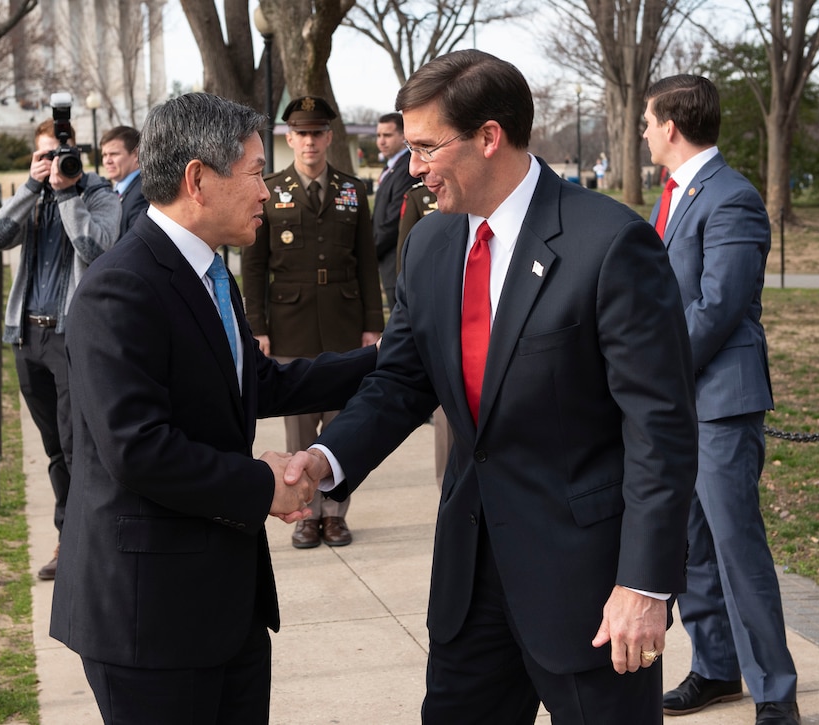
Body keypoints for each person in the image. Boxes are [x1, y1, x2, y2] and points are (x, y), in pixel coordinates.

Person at [282, 49, 699, 724]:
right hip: (470, 587)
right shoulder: (431, 246)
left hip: (589, 593)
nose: (414, 168)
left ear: (488, 136)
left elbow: (661, 429)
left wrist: (645, 583)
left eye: (425, 147)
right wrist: (328, 462)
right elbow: (401, 382)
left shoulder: (610, 244)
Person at [48, 91, 378, 725]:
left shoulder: (209, 272)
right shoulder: (120, 288)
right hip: (152, 620)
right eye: (256, 172)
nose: (265, 190)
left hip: (225, 609)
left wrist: (390, 359)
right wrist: (265, 486)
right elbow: (139, 450)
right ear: (198, 180)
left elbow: (259, 384)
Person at [642, 74, 800, 725]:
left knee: (736, 548)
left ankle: (775, 691)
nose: (645, 132)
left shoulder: (730, 198)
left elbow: (719, 307)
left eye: (648, 122)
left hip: (721, 403)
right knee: (692, 547)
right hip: (682, 403)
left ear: (672, 127)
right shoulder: (675, 194)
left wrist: (655, 367)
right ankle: (714, 667)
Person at [242, 95, 383, 550]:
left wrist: (372, 324)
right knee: (300, 427)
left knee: (343, 423)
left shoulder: (352, 189)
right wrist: (257, 326)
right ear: (289, 137)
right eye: (301, 133)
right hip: (291, 321)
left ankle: (336, 513)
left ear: (329, 137)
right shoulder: (270, 188)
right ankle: (304, 513)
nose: (309, 141)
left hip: (343, 319)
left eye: (317, 133)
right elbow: (254, 265)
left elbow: (367, 262)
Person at [0, 118, 121, 581]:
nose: (53, 164)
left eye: (59, 155)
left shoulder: (98, 195)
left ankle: (78, 540)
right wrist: (31, 186)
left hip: (71, 336)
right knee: (53, 447)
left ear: (77, 154)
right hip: (29, 336)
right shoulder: (33, 197)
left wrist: (66, 195)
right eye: (43, 155)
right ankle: (74, 533)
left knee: (75, 442)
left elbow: (97, 246)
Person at [395, 181, 451, 488]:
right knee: (446, 419)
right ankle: (448, 489)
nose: (416, 166)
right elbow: (409, 269)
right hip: (440, 322)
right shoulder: (419, 198)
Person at [373, 112, 420, 310]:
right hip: (388, 262)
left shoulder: (407, 168)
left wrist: (369, 252)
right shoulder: (390, 168)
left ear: (403, 136)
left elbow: (393, 221)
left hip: (396, 260)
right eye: (378, 136)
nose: (381, 141)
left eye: (387, 135)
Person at [100, 125, 148, 236]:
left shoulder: (143, 193)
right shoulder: (115, 191)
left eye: (114, 154)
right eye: (104, 155)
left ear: (136, 154)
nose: (107, 161)